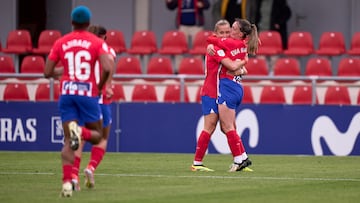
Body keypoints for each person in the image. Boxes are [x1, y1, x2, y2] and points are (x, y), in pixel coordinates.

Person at [44, 5, 114, 197]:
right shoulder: (95, 42)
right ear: (88, 23)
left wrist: (64, 73)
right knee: (98, 136)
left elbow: (47, 72)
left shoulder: (61, 42)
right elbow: (108, 66)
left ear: (72, 22)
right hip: (87, 93)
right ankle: (80, 132)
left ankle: (67, 183)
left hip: (66, 93)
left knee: (69, 141)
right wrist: (99, 86)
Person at [71, 25, 116, 191]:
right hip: (101, 97)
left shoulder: (78, 48)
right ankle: (90, 168)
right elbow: (109, 63)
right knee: (103, 138)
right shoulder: (106, 50)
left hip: (83, 97)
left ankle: (74, 175)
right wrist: (109, 85)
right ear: (103, 37)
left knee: (79, 138)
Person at [211, 18, 259, 172]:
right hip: (236, 86)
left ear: (240, 33)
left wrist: (213, 43)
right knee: (229, 127)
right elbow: (243, 69)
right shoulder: (243, 46)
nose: (230, 31)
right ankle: (242, 156)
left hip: (228, 86)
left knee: (227, 126)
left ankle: (239, 160)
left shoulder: (231, 43)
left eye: (232, 29)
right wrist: (240, 66)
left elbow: (210, 39)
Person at [191, 19, 231, 172]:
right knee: (210, 126)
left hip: (221, 92)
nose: (225, 35)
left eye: (228, 32)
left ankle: (240, 159)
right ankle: (197, 162)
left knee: (227, 126)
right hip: (211, 92)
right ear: (216, 34)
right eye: (222, 33)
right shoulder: (214, 48)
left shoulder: (222, 46)